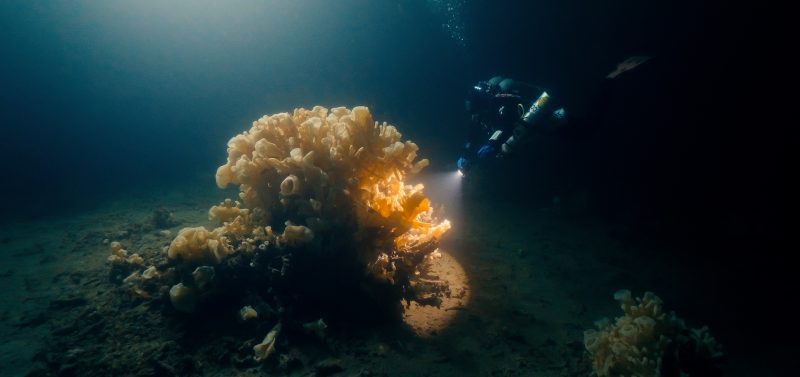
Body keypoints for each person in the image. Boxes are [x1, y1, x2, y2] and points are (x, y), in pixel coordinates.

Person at [456, 56, 650, 176]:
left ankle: (610, 79)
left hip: (549, 120)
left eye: (476, 112)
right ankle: (609, 80)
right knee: (585, 128)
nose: (475, 117)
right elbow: (475, 129)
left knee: (589, 128)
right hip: (538, 126)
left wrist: (492, 145)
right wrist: (466, 152)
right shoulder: (484, 108)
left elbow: (508, 127)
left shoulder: (501, 104)